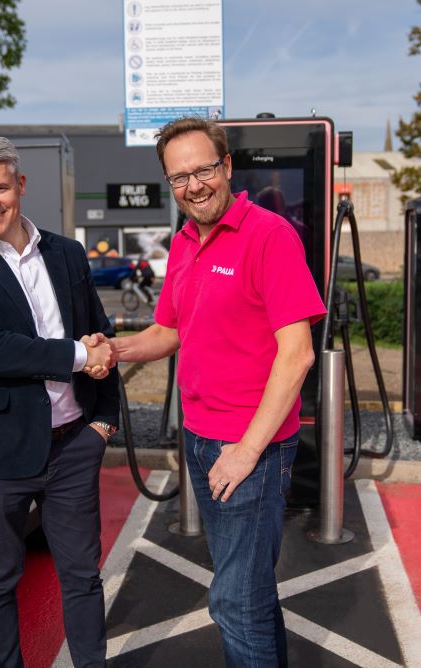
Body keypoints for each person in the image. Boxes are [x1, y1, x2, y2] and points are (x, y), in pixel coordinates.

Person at [103, 117, 326, 666]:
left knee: (234, 603)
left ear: (226, 166)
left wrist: (247, 451)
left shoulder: (269, 235)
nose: (193, 186)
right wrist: (112, 349)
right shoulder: (184, 242)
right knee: (250, 596)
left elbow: (297, 354)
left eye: (202, 170)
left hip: (250, 451)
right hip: (201, 442)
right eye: (179, 178)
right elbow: (169, 331)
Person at [0, 135, 119, 668]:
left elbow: (100, 335)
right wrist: (78, 357)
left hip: (73, 446)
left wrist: (104, 423)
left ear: (21, 185)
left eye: (0, 188)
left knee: (81, 576)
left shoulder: (66, 252)